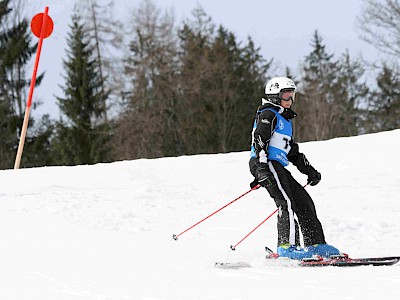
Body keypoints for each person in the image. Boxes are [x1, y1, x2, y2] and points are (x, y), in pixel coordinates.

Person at [249, 77, 342, 260]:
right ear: (274, 97)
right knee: (286, 202)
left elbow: (292, 152)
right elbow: (259, 139)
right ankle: (286, 246)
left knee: (304, 201)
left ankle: (315, 244)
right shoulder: (269, 114)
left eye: (292, 96)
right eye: (286, 96)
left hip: (277, 166)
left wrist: (309, 171)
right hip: (266, 163)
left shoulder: (285, 122)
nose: (290, 100)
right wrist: (260, 169)